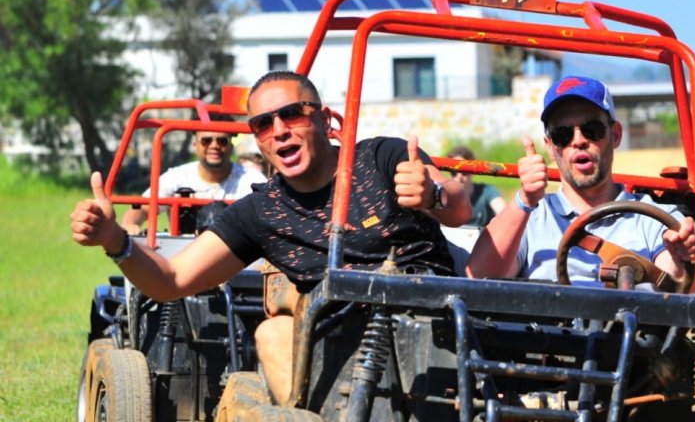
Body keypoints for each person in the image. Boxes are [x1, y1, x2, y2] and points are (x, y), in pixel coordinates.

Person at [71, 70, 471, 404]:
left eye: (293, 114)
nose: (279, 130)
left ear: (325, 119)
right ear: (258, 140)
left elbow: (459, 210)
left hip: (434, 320)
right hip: (341, 347)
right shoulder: (262, 211)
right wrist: (116, 240)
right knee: (273, 332)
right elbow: (171, 281)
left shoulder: (383, 157)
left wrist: (433, 194)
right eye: (263, 123)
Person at [466, 75, 695, 422]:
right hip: (541, 365)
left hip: (635, 368)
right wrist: (524, 199)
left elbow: (673, 272)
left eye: (591, 129)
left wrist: (681, 254)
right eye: (563, 135)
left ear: (614, 135)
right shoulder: (532, 216)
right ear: (550, 146)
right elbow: (477, 275)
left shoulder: (650, 217)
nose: (578, 141)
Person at [121, 127, 266, 235]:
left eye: (222, 141)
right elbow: (143, 207)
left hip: (238, 259)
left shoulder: (252, 179)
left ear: (230, 146)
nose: (214, 146)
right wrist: (130, 224)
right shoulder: (177, 177)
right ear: (195, 145)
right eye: (206, 140)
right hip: (183, 257)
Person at [446, 145, 507, 227]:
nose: (459, 177)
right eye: (453, 172)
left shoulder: (486, 190)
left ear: (472, 172)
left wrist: (499, 221)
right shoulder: (444, 194)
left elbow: (503, 212)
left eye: (464, 171)